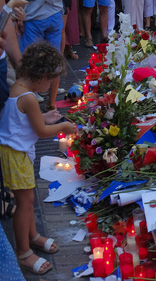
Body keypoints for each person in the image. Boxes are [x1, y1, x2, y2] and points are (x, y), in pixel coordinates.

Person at [5, 43, 79, 275]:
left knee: (28, 198)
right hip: (15, 155)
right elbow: (41, 132)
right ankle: (24, 252)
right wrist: (63, 125)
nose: (50, 88)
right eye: (51, 82)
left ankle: (33, 235)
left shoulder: (18, 87)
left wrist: (44, 116)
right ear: (43, 76)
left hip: (14, 151)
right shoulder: (28, 98)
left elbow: (25, 120)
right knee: (25, 202)